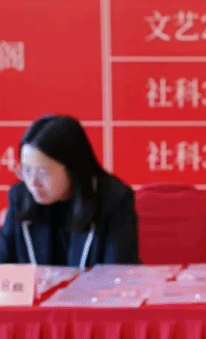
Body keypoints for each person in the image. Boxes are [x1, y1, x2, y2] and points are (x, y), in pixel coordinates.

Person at [0, 115, 139, 268]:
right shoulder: (20, 196)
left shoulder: (114, 200)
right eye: (26, 170)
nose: (32, 183)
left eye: (42, 172)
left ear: (72, 169)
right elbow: (3, 260)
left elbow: (118, 272)